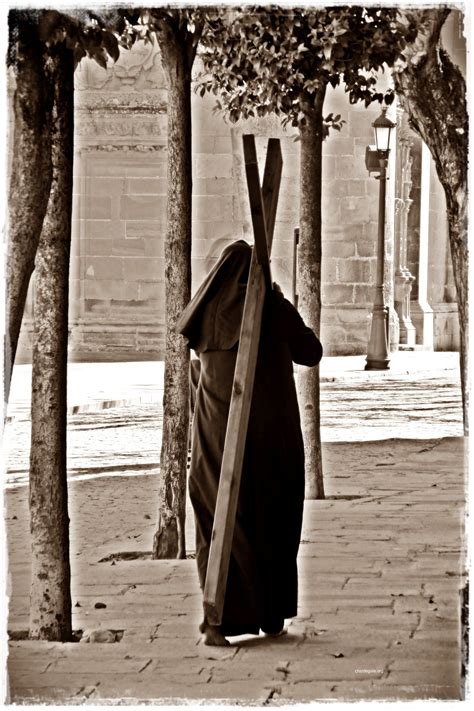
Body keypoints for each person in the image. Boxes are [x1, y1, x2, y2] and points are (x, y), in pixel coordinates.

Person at [176, 240, 322, 646]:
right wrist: (281, 303)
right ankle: (270, 612)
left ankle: (218, 619)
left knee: (219, 525)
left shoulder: (204, 314)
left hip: (210, 441)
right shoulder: (271, 308)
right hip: (270, 440)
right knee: (272, 519)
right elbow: (312, 353)